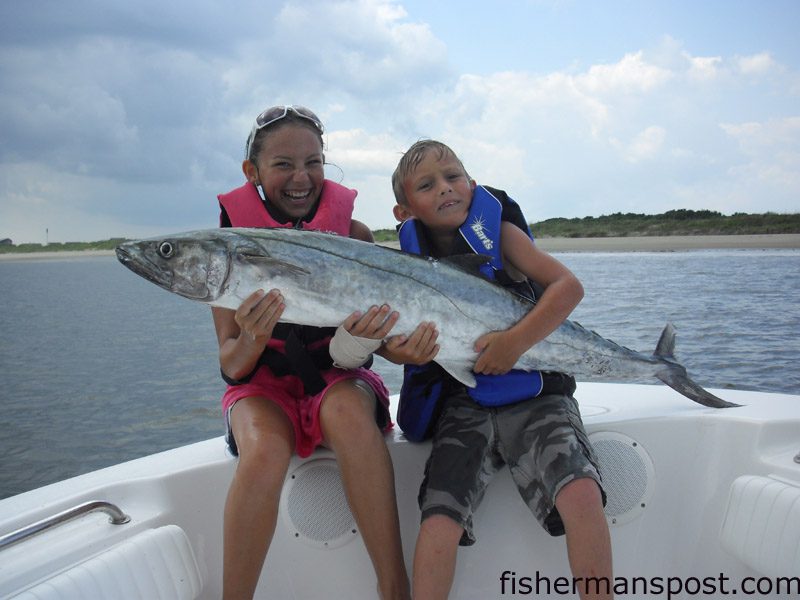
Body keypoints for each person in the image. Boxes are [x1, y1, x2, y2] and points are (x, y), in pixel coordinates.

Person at [389, 140, 613, 599]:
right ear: (404, 211)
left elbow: (568, 287)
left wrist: (514, 343)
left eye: (454, 177)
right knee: (438, 517)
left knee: (581, 493)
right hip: (464, 405)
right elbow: (391, 345)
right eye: (428, 185)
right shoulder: (404, 262)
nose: (446, 189)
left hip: (536, 397)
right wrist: (403, 353)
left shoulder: (501, 234)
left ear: (472, 183)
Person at [213, 105, 412, 600]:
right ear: (252, 173)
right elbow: (231, 364)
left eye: (314, 162)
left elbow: (388, 347)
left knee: (347, 413)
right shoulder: (227, 250)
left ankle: (395, 588)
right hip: (262, 384)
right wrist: (254, 336)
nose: (301, 178)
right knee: (262, 450)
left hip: (338, 377)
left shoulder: (356, 237)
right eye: (283, 164)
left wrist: (396, 345)